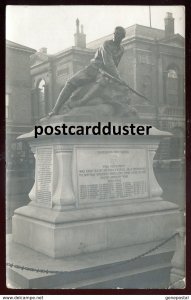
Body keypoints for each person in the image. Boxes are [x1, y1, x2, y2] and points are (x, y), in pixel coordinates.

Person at [48, 26, 126, 117]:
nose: (115, 36)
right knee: (70, 83)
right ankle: (55, 110)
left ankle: (82, 102)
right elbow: (108, 62)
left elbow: (114, 64)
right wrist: (118, 78)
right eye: (114, 33)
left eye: (118, 34)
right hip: (93, 68)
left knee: (103, 83)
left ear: (122, 37)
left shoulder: (121, 49)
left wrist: (115, 78)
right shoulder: (106, 44)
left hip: (105, 73)